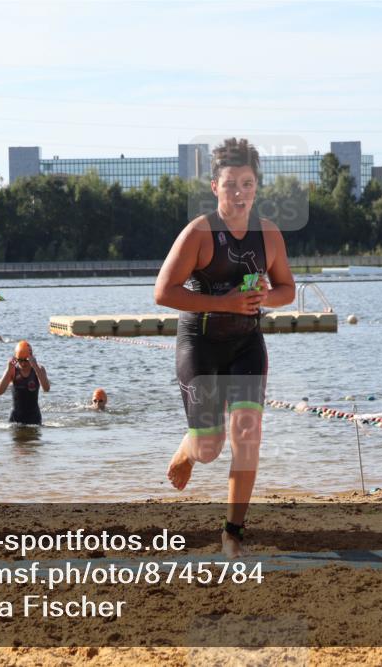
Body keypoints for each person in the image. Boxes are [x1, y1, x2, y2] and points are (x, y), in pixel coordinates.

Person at [155, 137, 296, 559]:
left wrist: (265, 297)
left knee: (248, 435)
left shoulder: (268, 235)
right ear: (215, 186)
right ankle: (190, 446)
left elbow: (287, 289)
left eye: (247, 184)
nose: (239, 193)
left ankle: (232, 533)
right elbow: (163, 292)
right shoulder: (200, 233)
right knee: (209, 449)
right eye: (231, 184)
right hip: (200, 344)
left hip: (246, 344)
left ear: (257, 187)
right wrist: (224, 304)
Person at [0, 340, 50, 425]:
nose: (23, 363)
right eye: (20, 360)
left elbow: (46, 389)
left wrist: (35, 367)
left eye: (26, 360)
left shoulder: (39, 369)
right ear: (16, 358)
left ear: (31, 357)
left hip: (34, 418)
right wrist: (8, 370)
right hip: (15, 418)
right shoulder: (12, 370)